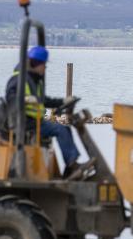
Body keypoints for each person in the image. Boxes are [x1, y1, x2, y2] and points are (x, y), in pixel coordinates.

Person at [5, 45, 82, 177]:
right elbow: (10, 96)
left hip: (35, 121)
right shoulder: (19, 79)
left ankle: (70, 167)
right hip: (25, 122)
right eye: (44, 64)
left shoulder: (34, 80)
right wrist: (24, 99)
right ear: (36, 63)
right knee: (60, 129)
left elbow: (43, 100)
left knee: (66, 128)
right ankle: (72, 164)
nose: (45, 68)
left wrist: (62, 102)